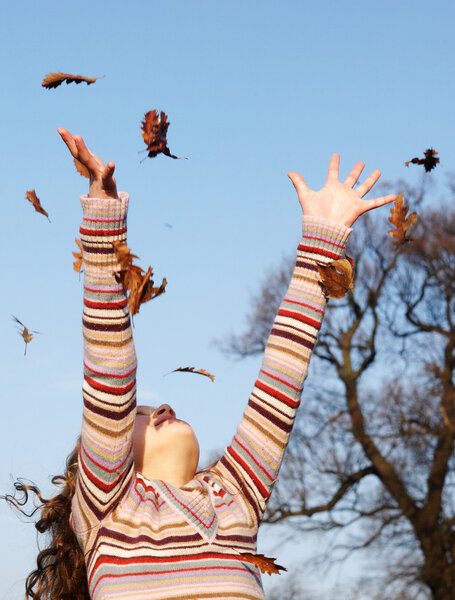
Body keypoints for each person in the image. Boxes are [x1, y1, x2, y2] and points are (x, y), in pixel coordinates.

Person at [7, 129, 396, 600]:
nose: (162, 409)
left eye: (149, 409)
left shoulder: (235, 497)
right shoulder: (110, 506)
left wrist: (321, 243)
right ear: (106, 460)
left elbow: (281, 378)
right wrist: (105, 225)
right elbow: (110, 373)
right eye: (141, 416)